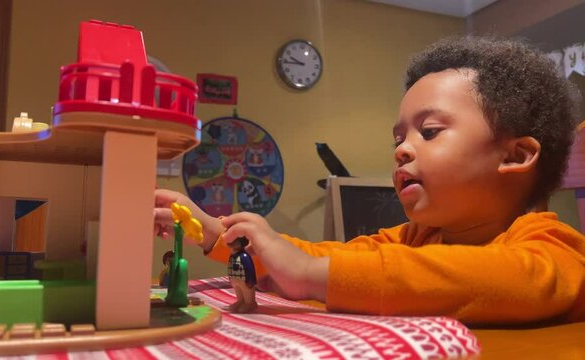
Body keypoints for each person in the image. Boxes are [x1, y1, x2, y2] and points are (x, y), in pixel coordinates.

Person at [154, 36, 585, 325]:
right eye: (399, 138)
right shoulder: (414, 238)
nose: (401, 149)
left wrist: (308, 273)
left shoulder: (552, 246)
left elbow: (504, 279)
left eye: (429, 132)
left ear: (515, 155)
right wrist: (219, 235)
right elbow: (322, 259)